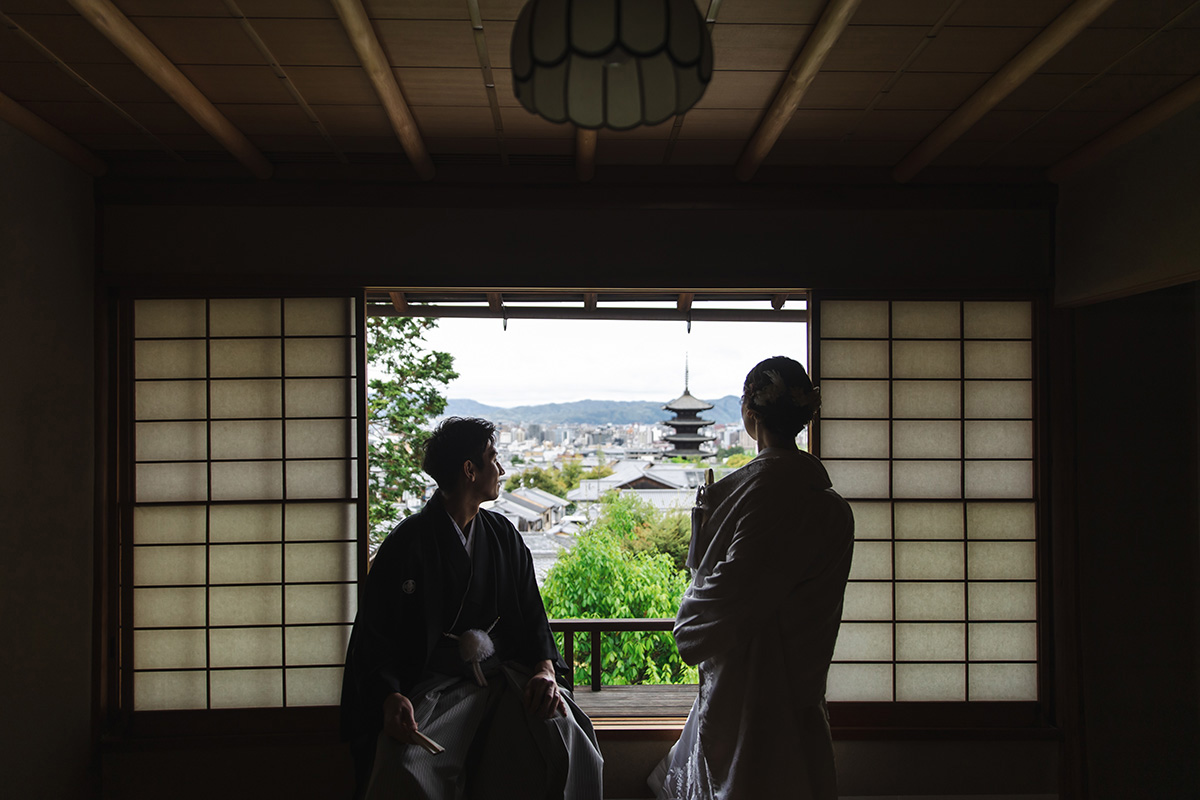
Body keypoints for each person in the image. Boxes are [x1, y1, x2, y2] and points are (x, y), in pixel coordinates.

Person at [340, 416, 603, 800]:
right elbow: (374, 637)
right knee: (405, 768)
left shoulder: (503, 535)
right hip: (435, 687)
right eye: (493, 459)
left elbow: (533, 616)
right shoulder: (406, 544)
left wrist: (546, 671)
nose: (500, 469)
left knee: (569, 744)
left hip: (508, 678)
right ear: (469, 470)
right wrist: (389, 696)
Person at [651, 356, 855, 800]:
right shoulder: (831, 507)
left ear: (749, 413)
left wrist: (700, 548)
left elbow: (701, 625)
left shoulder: (760, 503)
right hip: (801, 694)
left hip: (750, 707)